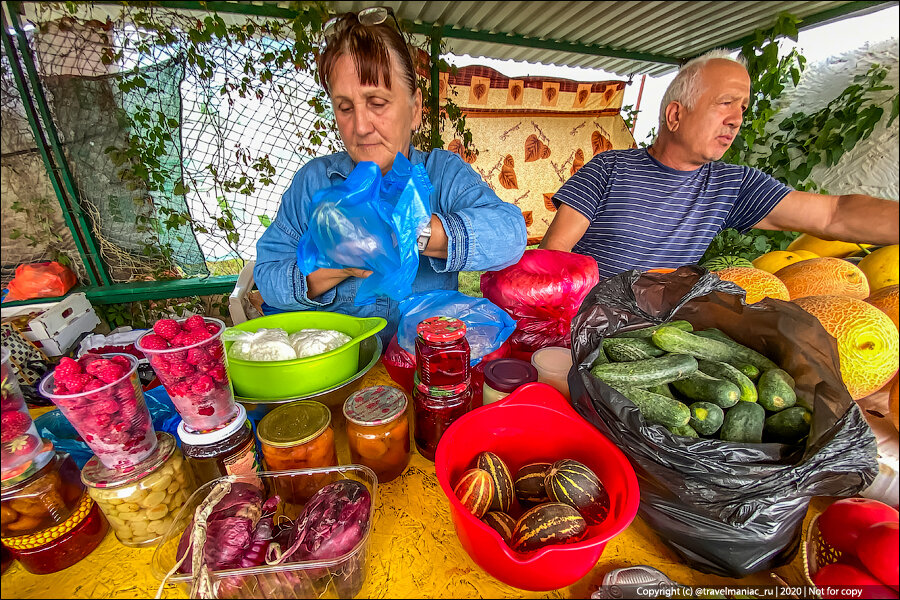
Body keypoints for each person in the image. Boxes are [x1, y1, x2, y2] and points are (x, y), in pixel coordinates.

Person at [254, 7, 527, 345]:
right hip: (342, 369)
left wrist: (417, 231)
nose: (361, 126)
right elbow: (267, 276)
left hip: (421, 368)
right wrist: (338, 263)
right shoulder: (314, 184)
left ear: (414, 111)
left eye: (377, 102)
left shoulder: (442, 174)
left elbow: (511, 235)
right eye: (345, 107)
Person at [539, 49, 899, 279]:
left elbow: (832, 214)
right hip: (583, 324)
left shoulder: (733, 186)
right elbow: (553, 255)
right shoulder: (609, 169)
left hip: (659, 337)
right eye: (724, 103)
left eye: (742, 108)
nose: (736, 119)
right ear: (676, 115)